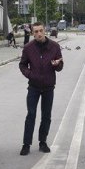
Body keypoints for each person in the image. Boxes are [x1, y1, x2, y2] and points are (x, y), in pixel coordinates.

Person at [18, 21, 63, 155]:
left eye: (41, 31)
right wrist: (30, 75)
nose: (38, 34)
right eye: (36, 31)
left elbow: (60, 66)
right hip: (34, 87)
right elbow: (22, 65)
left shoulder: (54, 46)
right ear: (32, 33)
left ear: (45, 31)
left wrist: (56, 65)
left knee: (46, 115)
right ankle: (26, 144)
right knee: (31, 114)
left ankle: (43, 142)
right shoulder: (28, 48)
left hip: (49, 86)